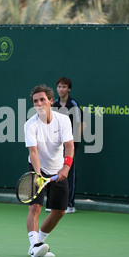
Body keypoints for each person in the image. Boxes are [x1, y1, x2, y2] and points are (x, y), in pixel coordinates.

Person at [24, 84, 74, 257]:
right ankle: (33, 247)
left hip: (58, 168)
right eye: (35, 101)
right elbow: (33, 152)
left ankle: (39, 245)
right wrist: (37, 175)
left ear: (51, 101)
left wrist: (66, 167)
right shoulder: (30, 125)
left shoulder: (63, 120)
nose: (38, 103)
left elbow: (69, 146)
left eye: (42, 100)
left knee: (59, 211)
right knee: (35, 207)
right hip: (38, 168)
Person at [52, 77, 84, 213]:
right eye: (59, 86)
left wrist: (74, 141)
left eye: (64, 87)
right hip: (56, 145)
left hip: (69, 145)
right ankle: (55, 204)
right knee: (54, 172)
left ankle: (70, 204)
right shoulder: (54, 105)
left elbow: (81, 124)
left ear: (69, 89)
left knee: (68, 173)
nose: (61, 89)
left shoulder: (73, 104)